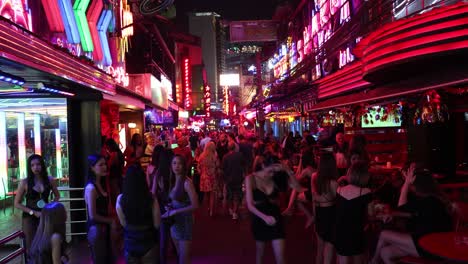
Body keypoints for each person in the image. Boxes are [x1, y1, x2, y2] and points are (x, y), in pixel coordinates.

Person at [370, 167, 453, 264]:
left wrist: (406, 183)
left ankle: (373, 262)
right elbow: (414, 214)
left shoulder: (430, 200)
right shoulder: (432, 199)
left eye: (411, 184)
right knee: (386, 252)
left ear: (417, 186)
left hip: (432, 246)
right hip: (428, 243)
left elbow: (402, 207)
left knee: (384, 234)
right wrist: (392, 214)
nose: (410, 187)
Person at [245, 157, 302, 264]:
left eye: (274, 171)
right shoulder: (250, 179)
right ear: (263, 166)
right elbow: (250, 205)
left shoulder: (276, 177)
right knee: (260, 254)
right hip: (259, 219)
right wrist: (265, 217)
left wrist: (287, 170)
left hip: (276, 218)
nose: (272, 173)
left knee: (281, 259)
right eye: (270, 170)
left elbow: (298, 188)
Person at [15, 154, 60, 255]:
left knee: (46, 243)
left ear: (42, 165)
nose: (36, 167)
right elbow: (17, 203)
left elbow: (57, 196)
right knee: (30, 244)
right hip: (29, 216)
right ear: (29, 167)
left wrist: (51, 207)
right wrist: (32, 212)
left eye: (38, 164)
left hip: (45, 214)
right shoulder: (25, 182)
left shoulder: (50, 180)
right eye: (32, 165)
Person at [116, 163, 161, 263]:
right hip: (149, 241)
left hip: (130, 241)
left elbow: (123, 223)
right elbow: (157, 224)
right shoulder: (151, 198)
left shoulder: (120, 199)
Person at [161, 155, 199, 264]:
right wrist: (169, 207)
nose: (176, 166)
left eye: (179, 163)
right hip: (174, 222)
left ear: (183, 166)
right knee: (179, 254)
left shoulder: (187, 183)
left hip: (184, 222)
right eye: (174, 163)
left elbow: (196, 205)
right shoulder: (173, 180)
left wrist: (175, 211)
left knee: (184, 258)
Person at [334, 161, 372, 264]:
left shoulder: (339, 190)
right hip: (356, 232)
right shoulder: (366, 192)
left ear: (349, 174)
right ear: (365, 176)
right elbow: (371, 214)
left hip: (340, 232)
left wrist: (342, 178)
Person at [84, 154, 116, 264]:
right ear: (92, 168)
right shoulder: (91, 188)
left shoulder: (102, 184)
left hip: (104, 228)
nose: (104, 167)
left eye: (105, 164)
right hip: (96, 229)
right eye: (100, 165)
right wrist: (111, 221)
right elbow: (93, 215)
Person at [311, 152, 338, 264]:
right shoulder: (333, 183)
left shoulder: (314, 176)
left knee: (319, 249)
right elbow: (338, 202)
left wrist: (314, 217)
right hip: (330, 214)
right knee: (329, 248)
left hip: (319, 213)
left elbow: (313, 199)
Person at [150, 148, 174, 264]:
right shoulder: (174, 172)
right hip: (174, 205)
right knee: (174, 233)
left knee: (163, 235)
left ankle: (162, 259)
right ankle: (176, 252)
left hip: (161, 206)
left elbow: (153, 192)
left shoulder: (158, 172)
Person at [222, 141, 246, 220]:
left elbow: (223, 169)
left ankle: (231, 209)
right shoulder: (240, 155)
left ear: (228, 148)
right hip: (238, 178)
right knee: (237, 195)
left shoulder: (225, 157)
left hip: (229, 179)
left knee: (229, 196)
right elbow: (243, 165)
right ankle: (235, 212)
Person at [197, 142, 220, 216]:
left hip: (204, 177)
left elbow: (198, 166)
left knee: (206, 194)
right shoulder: (214, 156)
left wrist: (201, 172)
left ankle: (208, 208)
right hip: (212, 177)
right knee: (212, 195)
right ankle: (211, 211)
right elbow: (217, 166)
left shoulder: (202, 155)